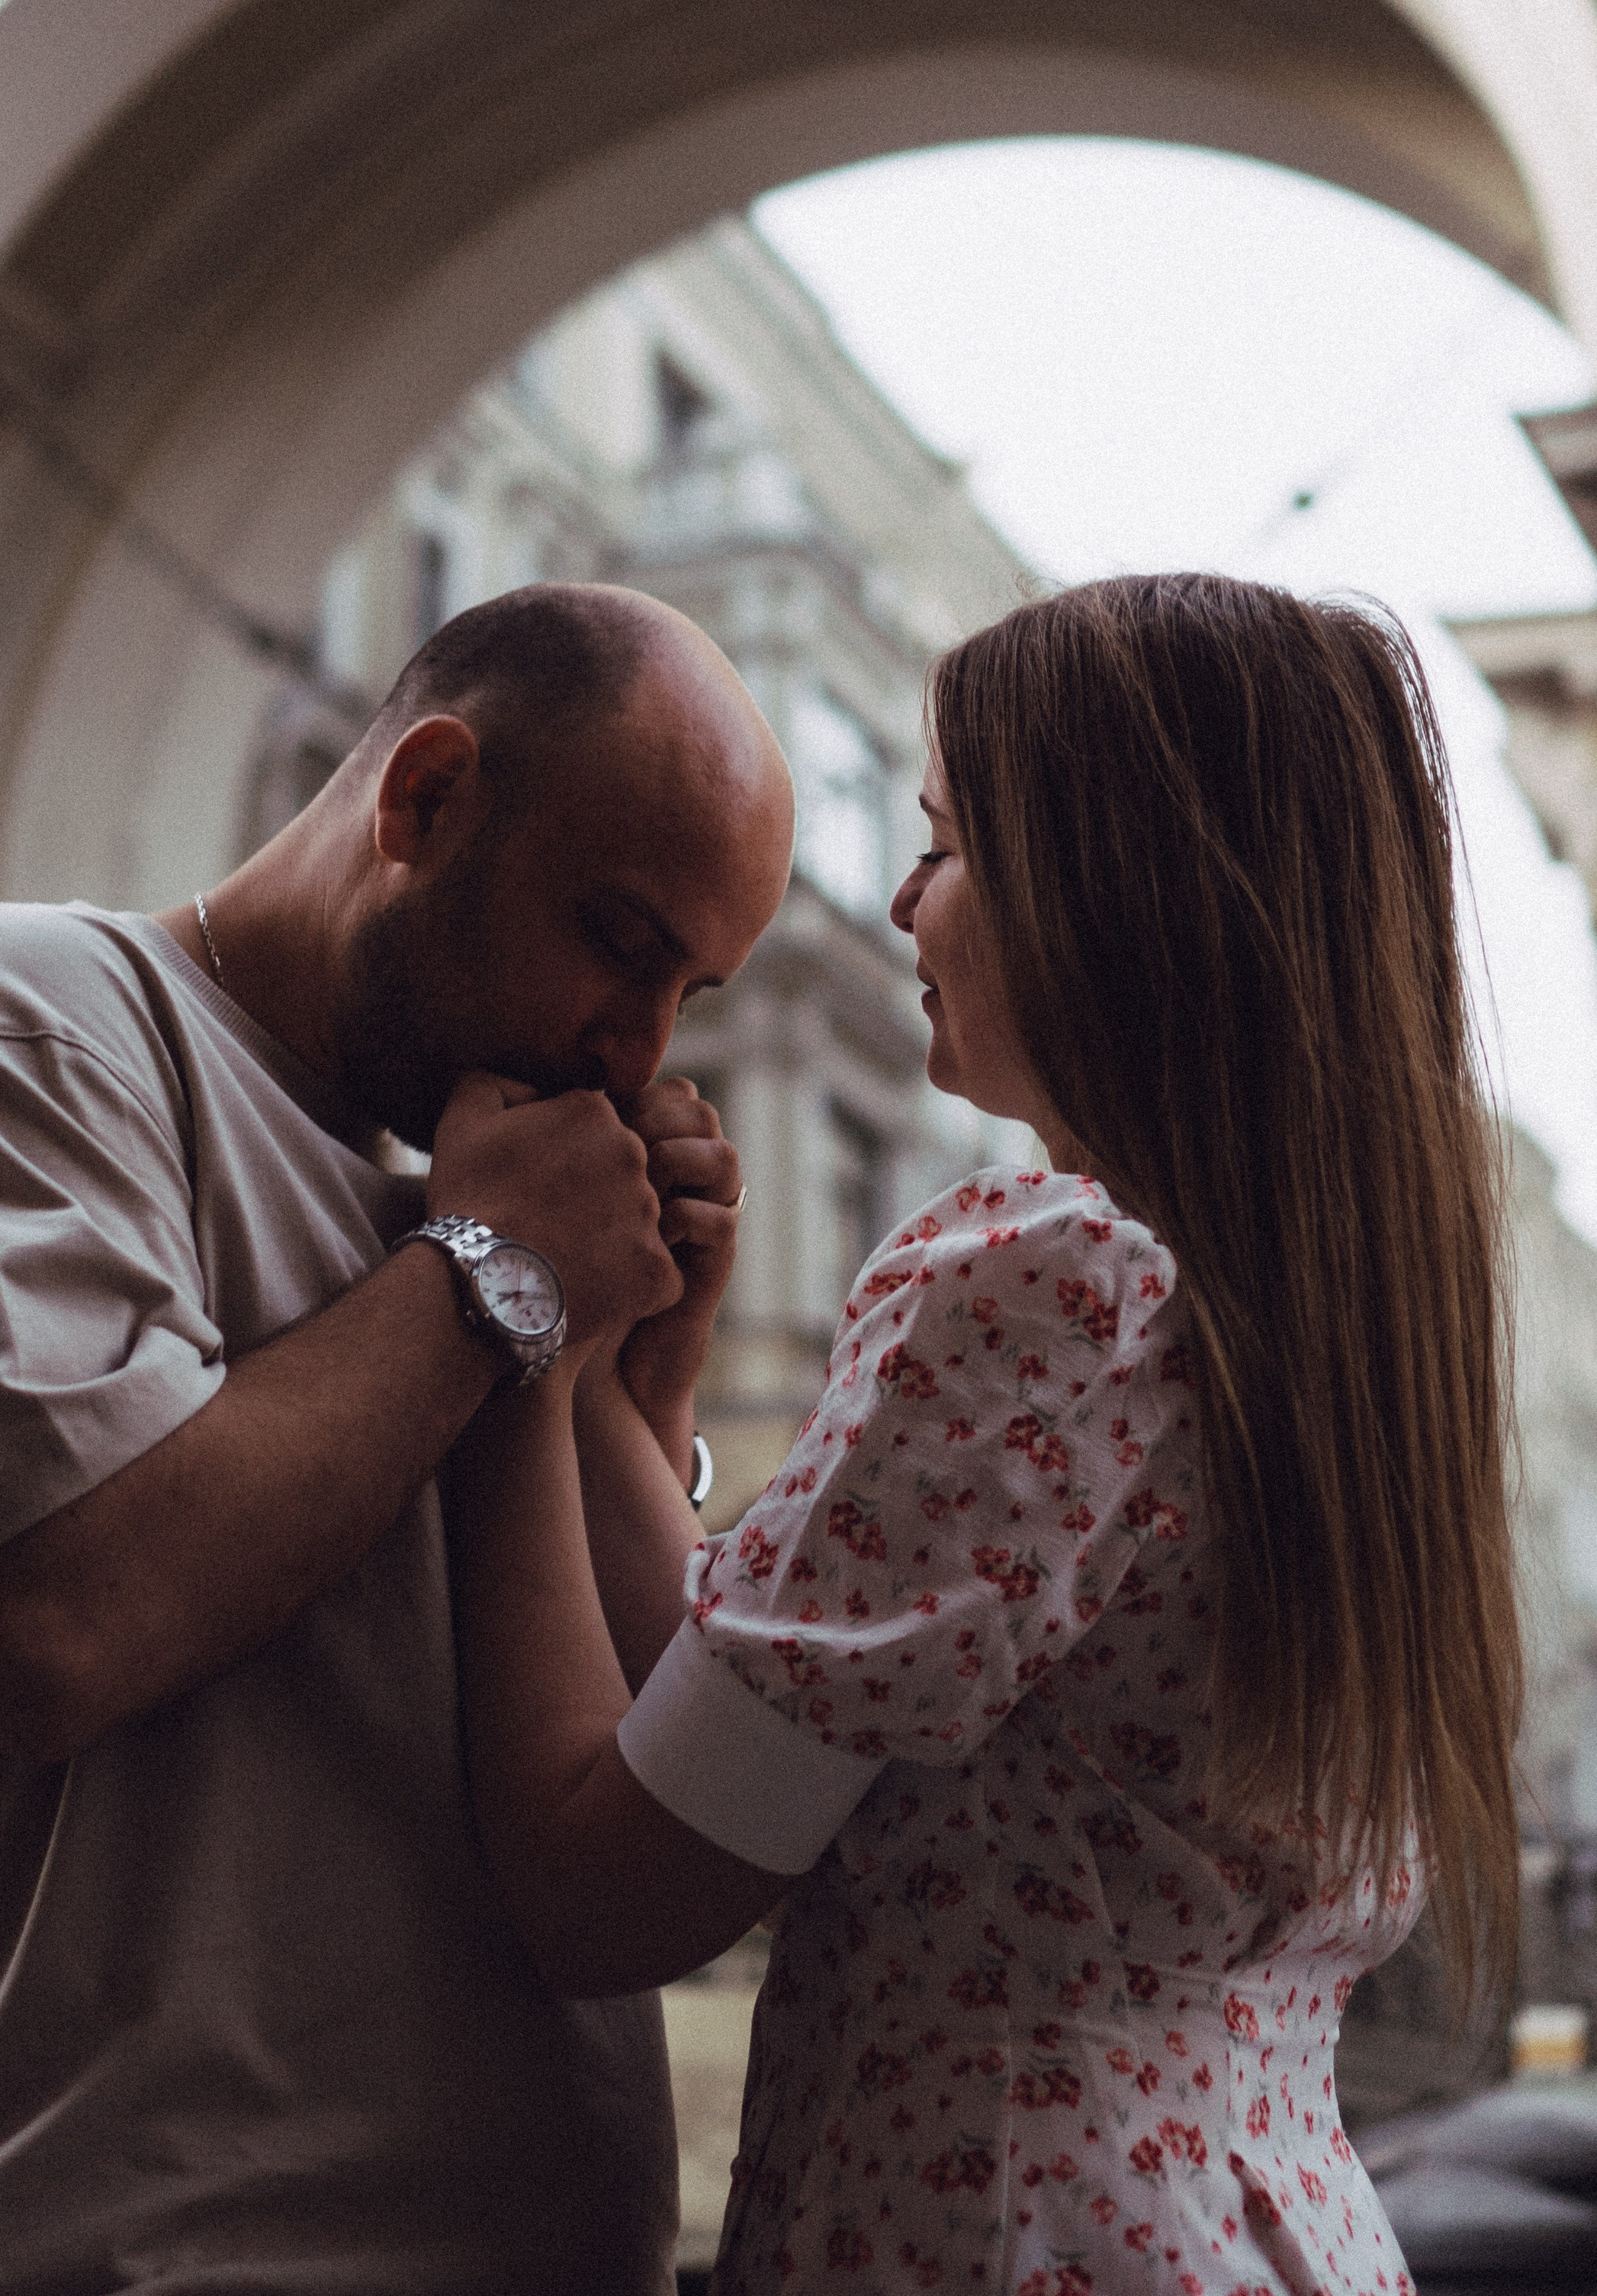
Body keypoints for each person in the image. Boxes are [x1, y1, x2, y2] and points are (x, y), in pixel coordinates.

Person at [449, 571, 1522, 2296]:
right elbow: (744, 1732)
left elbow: (603, 1895)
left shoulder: (1047, 1284)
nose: (894, 898)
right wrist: (626, 1387)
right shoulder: (1325, 1350)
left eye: (944, 843)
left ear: (1116, 891)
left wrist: (504, 1309)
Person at [0, 583, 795, 2296]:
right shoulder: (33, 1023)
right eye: (613, 938)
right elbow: (45, 1632)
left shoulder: (486, 1197)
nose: (639, 1045)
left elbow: (649, 1829)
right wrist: (497, 1275)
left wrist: (630, 1384)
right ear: (422, 799)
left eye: (691, 989)